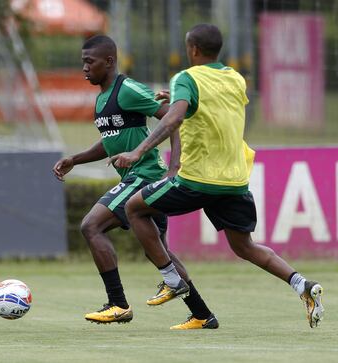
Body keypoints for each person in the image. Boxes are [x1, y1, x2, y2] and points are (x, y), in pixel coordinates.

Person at [109, 24, 324, 329]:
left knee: (134, 208)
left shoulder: (186, 77)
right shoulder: (235, 78)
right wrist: (178, 95)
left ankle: (172, 279)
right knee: (244, 246)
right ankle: (301, 284)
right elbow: (214, 101)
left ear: (192, 49)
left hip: (197, 179)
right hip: (235, 180)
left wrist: (137, 151)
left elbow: (175, 117)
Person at [53, 34, 218, 329]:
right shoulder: (103, 97)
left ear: (109, 61)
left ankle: (118, 304)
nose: (85, 68)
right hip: (137, 174)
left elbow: (170, 116)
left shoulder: (126, 89)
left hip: (145, 175)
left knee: (92, 226)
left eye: (89, 62)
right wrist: (75, 159)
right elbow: (110, 141)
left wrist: (175, 164)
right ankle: (202, 314)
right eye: (83, 63)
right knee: (159, 250)